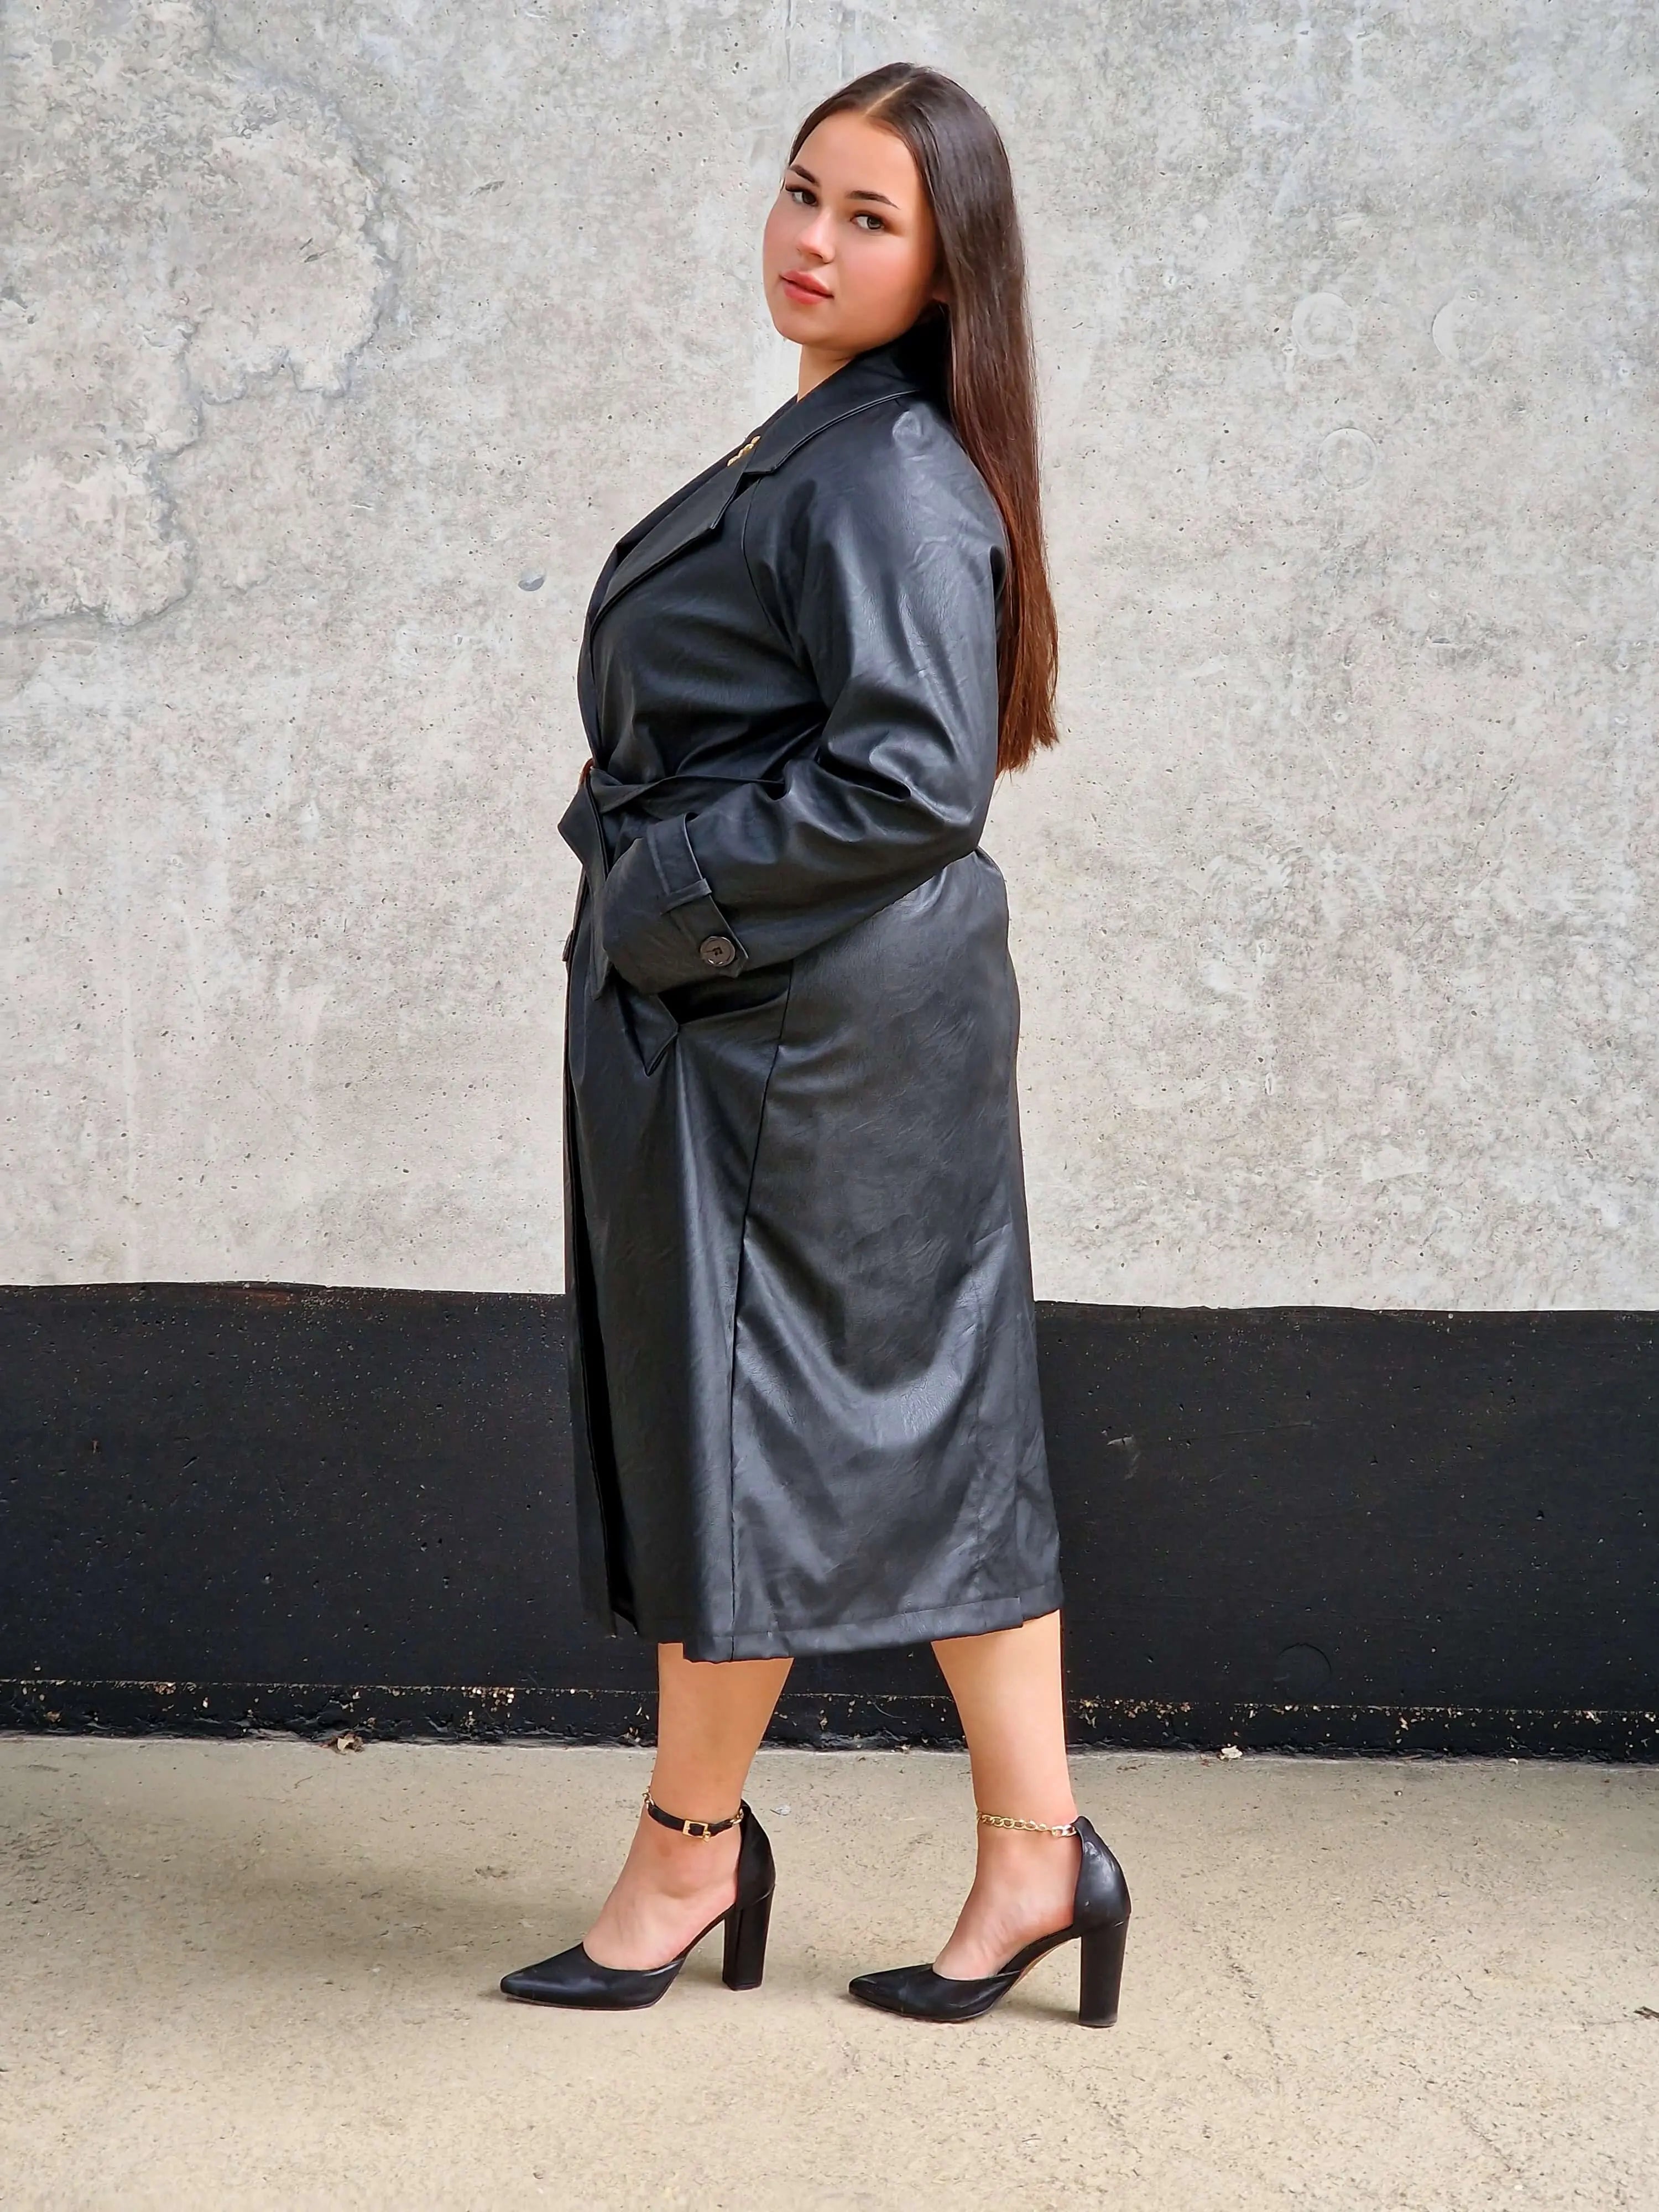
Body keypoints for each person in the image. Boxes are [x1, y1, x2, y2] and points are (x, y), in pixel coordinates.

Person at [501, 61, 1129, 2026]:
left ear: (947, 268)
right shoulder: (831, 442)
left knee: (753, 1430)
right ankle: (1029, 1854)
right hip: (815, 1008)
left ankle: (695, 1858)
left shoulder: (881, 471)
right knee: (910, 1423)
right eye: (802, 193)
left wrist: (657, 894)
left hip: (801, 1024)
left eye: (871, 219)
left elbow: (912, 782)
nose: (813, 241)